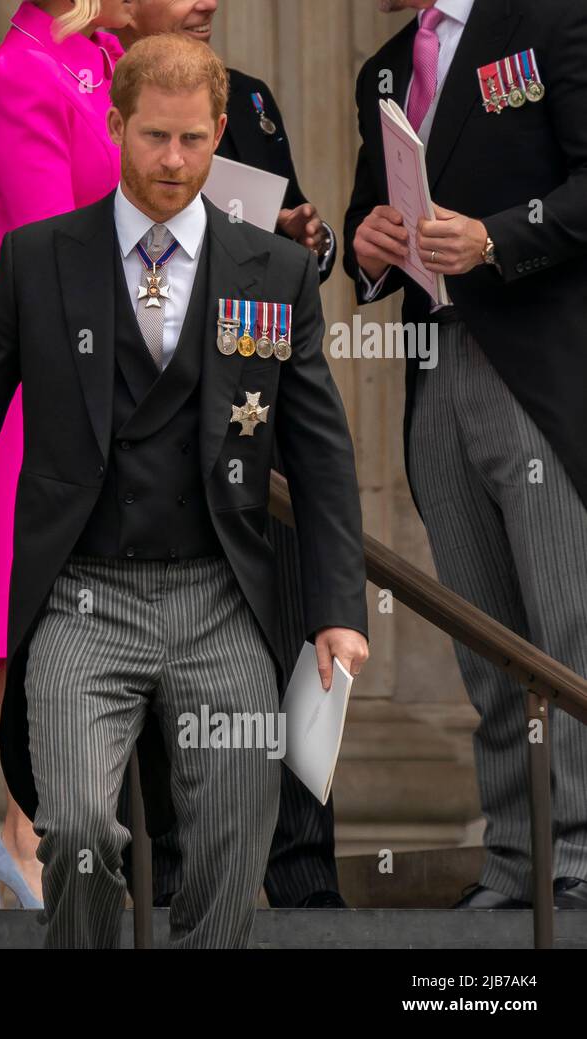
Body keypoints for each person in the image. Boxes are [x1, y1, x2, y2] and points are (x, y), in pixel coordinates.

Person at [0, 32, 369, 948]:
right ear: (114, 128)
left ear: (220, 132)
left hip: (222, 597)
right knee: (82, 828)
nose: (173, 162)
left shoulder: (278, 272)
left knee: (233, 833)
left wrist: (339, 607)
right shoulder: (39, 259)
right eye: (152, 138)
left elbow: (323, 454)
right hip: (80, 597)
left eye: (191, 139)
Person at [346, 0, 587, 911]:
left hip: (537, 373)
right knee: (487, 648)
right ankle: (517, 856)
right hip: (434, 372)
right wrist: (365, 244)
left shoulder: (554, 20)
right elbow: (376, 200)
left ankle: (580, 857)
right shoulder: (380, 65)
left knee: (566, 631)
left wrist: (497, 238)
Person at [120, 0, 347, 910]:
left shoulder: (245, 98)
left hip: (261, 424)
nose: (204, 0)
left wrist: (303, 240)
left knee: (302, 646)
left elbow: (288, 247)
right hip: (146, 442)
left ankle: (301, 880)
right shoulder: (88, 89)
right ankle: (168, 882)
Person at [0, 0, 135, 911]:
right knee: (35, 591)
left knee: (77, 593)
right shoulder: (16, 75)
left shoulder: (101, 57)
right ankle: (26, 836)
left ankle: (48, 833)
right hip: (35, 353)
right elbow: (56, 244)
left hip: (101, 341)